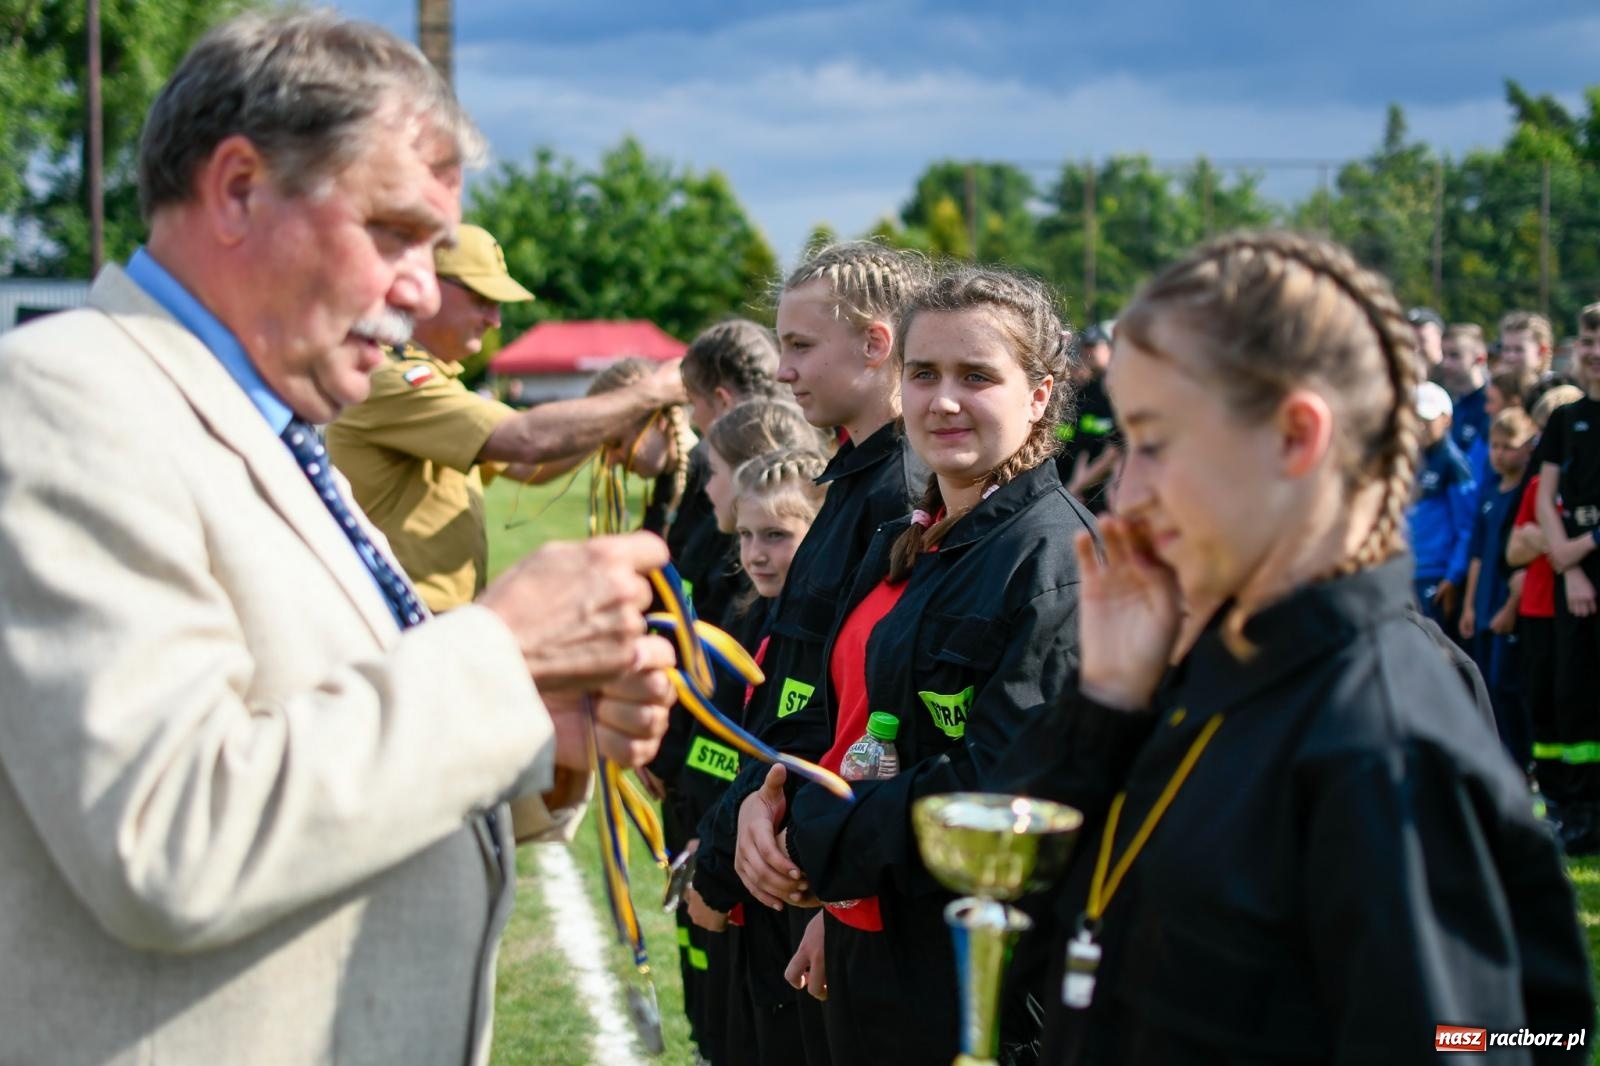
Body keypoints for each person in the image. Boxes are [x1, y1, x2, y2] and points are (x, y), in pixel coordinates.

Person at [0, 13, 673, 1065]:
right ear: (237, 189)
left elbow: (310, 730)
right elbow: (169, 837)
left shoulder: (268, 425)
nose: (417, 285)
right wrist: (498, 657)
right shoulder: (66, 399)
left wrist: (538, 737)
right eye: (394, 232)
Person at [996, 231, 1591, 1064]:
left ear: (1294, 439)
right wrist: (1108, 705)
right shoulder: (1211, 666)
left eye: (1157, 441)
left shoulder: (1380, 738)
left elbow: (1474, 1039)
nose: (1127, 494)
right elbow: (1034, 909)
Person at [780, 266, 1097, 1066]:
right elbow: (859, 719)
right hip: (871, 939)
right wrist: (780, 815)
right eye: (922, 374)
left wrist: (815, 838)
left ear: (1039, 395)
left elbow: (996, 789)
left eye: (977, 376)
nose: (942, 400)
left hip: (976, 984)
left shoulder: (1056, 564)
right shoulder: (917, 534)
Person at [695, 241, 932, 1066]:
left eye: (800, 346)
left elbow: (862, 718)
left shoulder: (903, 494)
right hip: (791, 849)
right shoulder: (852, 480)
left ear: (875, 345)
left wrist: (739, 853)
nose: (783, 370)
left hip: (817, 860)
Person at [326, 223, 686, 613]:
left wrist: (613, 425)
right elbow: (526, 441)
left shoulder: (427, 379)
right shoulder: (391, 379)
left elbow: (524, 466)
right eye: (482, 299)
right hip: (396, 613)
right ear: (426, 284)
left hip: (420, 612)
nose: (495, 319)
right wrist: (652, 392)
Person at [1533, 302, 1600, 855]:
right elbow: (1544, 496)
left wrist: (1581, 550)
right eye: (1586, 341)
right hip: (1570, 575)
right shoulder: (1564, 418)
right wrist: (1569, 561)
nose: (1594, 352)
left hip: (1582, 558)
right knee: (1572, 694)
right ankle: (1580, 814)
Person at [1460, 407, 1537, 765]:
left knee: (1510, 689)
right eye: (1494, 445)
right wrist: (1470, 606)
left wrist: (1510, 606)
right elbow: (1477, 553)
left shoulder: (1528, 492)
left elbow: (1524, 563)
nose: (1499, 453)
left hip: (1512, 608)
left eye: (1509, 445)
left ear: (1528, 448)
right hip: (1485, 603)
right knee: (1487, 686)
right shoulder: (1490, 488)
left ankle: (1523, 766)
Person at [1408, 381, 1476, 629]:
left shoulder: (1454, 463)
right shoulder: (1412, 458)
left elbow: (1467, 527)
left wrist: (1453, 575)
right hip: (1409, 570)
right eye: (1414, 418)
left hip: (1436, 576)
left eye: (1426, 418)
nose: (1419, 426)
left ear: (1446, 419)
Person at [1056, 320, 1118, 512]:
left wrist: (1076, 486)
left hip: (1105, 494)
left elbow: (1114, 452)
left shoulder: (1119, 393)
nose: (1088, 353)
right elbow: (1081, 444)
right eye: (1086, 347)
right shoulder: (1088, 391)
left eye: (1094, 346)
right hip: (1079, 492)